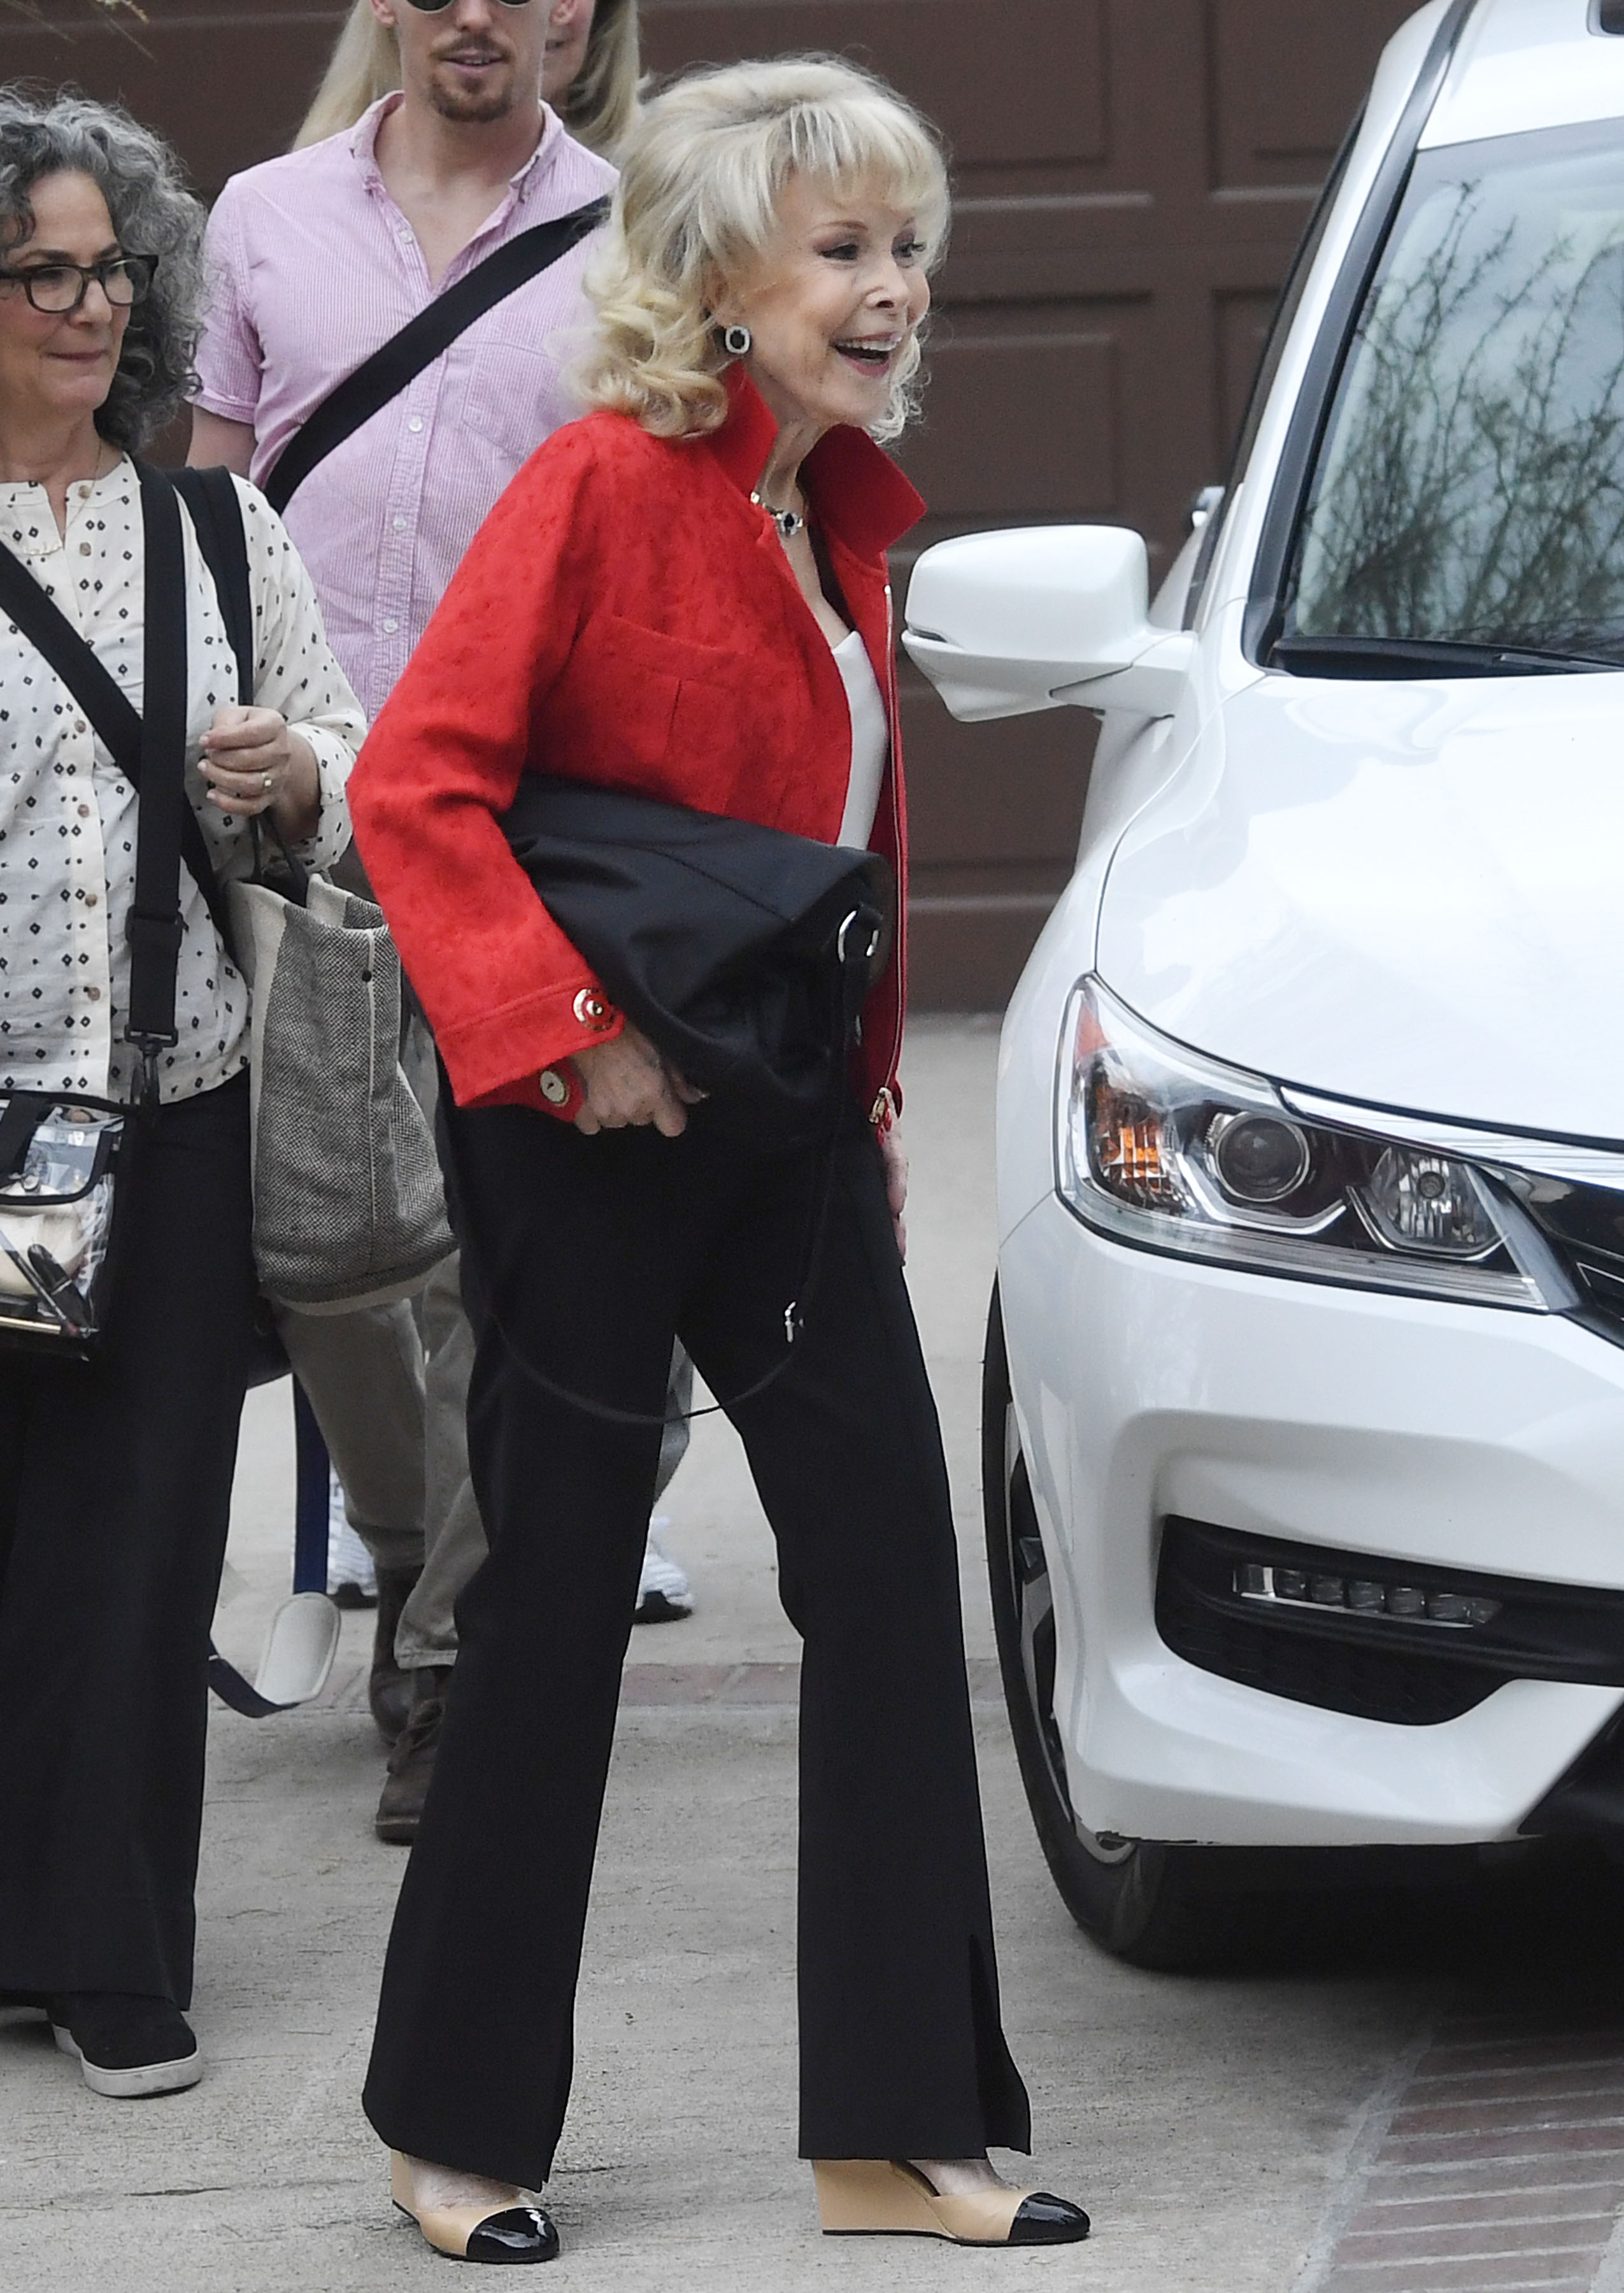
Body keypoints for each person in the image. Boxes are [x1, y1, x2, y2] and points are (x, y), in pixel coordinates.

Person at [350, 56, 1092, 2264]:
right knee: (554, 1618)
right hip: (586, 1148)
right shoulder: (596, 489)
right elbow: (418, 790)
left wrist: (868, 1087)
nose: (897, 291)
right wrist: (563, 1041)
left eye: (907, 246)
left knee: (886, 1582)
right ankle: (453, 2131)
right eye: (845, 251)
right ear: (716, 281)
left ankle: (901, 2126)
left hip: (784, 1153)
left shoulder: (839, 516)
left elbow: (830, 857)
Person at [189, 0, 691, 1852]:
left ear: (577, 13)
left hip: (536, 817)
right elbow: (212, 513)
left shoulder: (650, 228)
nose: (480, 7)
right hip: (308, 812)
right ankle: (421, 1562)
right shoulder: (259, 218)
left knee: (514, 1258)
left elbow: (692, 518)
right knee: (324, 1248)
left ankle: (458, 1655)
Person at [0, 90, 361, 2099]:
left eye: (107, 270)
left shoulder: (218, 526)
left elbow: (348, 749)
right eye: (38, 272)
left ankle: (117, 1956)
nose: (83, 308)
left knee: (141, 1549)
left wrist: (300, 779)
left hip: (176, 1103)